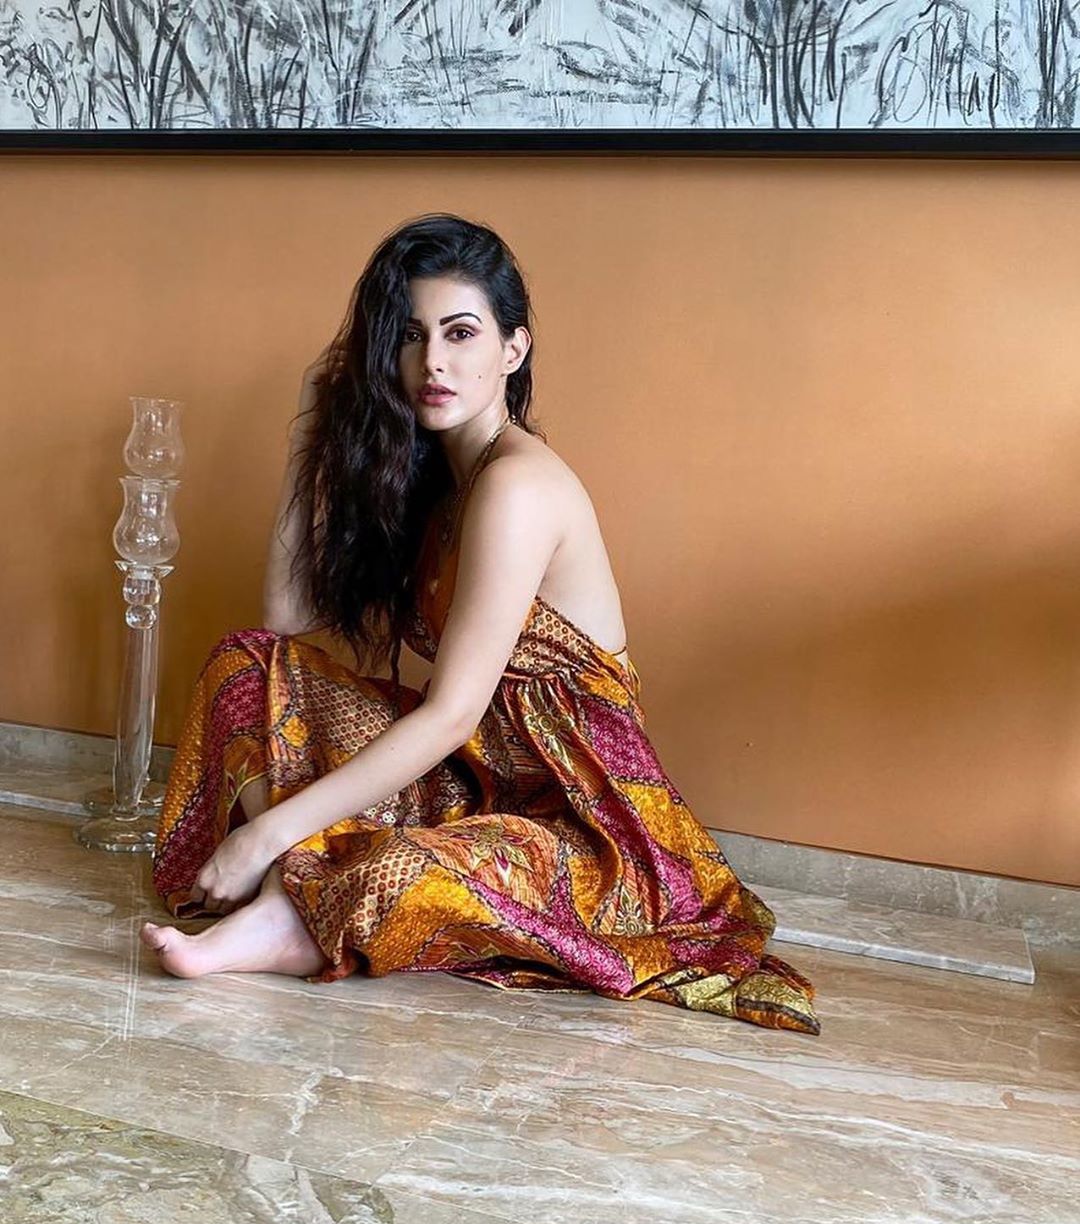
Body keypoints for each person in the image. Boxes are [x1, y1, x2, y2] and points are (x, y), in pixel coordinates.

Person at [142, 212, 820, 1036]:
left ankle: (289, 902)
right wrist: (310, 429)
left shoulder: (516, 487)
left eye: (461, 333)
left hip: (581, 826)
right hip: (471, 780)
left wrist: (262, 836)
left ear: (513, 349)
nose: (433, 361)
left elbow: (451, 713)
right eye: (411, 335)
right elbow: (285, 616)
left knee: (401, 870)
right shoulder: (441, 482)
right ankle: (303, 881)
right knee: (245, 668)